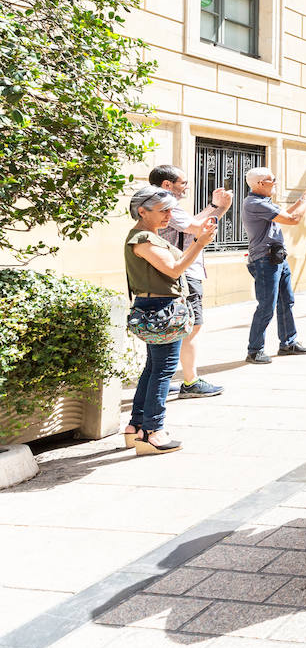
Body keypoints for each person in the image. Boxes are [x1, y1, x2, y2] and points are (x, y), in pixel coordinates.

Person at [123, 187, 218, 455]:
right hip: (160, 308)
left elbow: (178, 261)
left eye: (169, 210)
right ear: (142, 211)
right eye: (162, 210)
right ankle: (153, 432)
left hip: (159, 307)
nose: (168, 215)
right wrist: (200, 243)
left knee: (153, 367)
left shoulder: (150, 236)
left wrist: (200, 234)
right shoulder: (142, 238)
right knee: (163, 369)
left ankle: (136, 426)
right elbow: (175, 269)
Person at [149, 165, 231, 398]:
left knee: (175, 328)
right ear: (167, 184)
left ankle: (167, 380)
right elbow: (197, 227)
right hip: (184, 271)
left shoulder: (155, 202)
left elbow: (192, 223)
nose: (187, 186)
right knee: (191, 326)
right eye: (183, 182)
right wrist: (219, 208)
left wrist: (216, 208)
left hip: (174, 270)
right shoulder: (166, 204)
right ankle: (190, 381)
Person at [242, 167, 306, 364]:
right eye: (272, 179)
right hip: (265, 261)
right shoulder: (255, 203)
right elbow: (293, 219)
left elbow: (285, 214)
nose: (275, 182)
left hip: (276, 258)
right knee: (266, 306)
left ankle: (288, 343)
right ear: (260, 184)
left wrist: (302, 198)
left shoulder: (264, 202)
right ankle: (254, 350)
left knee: (286, 301)